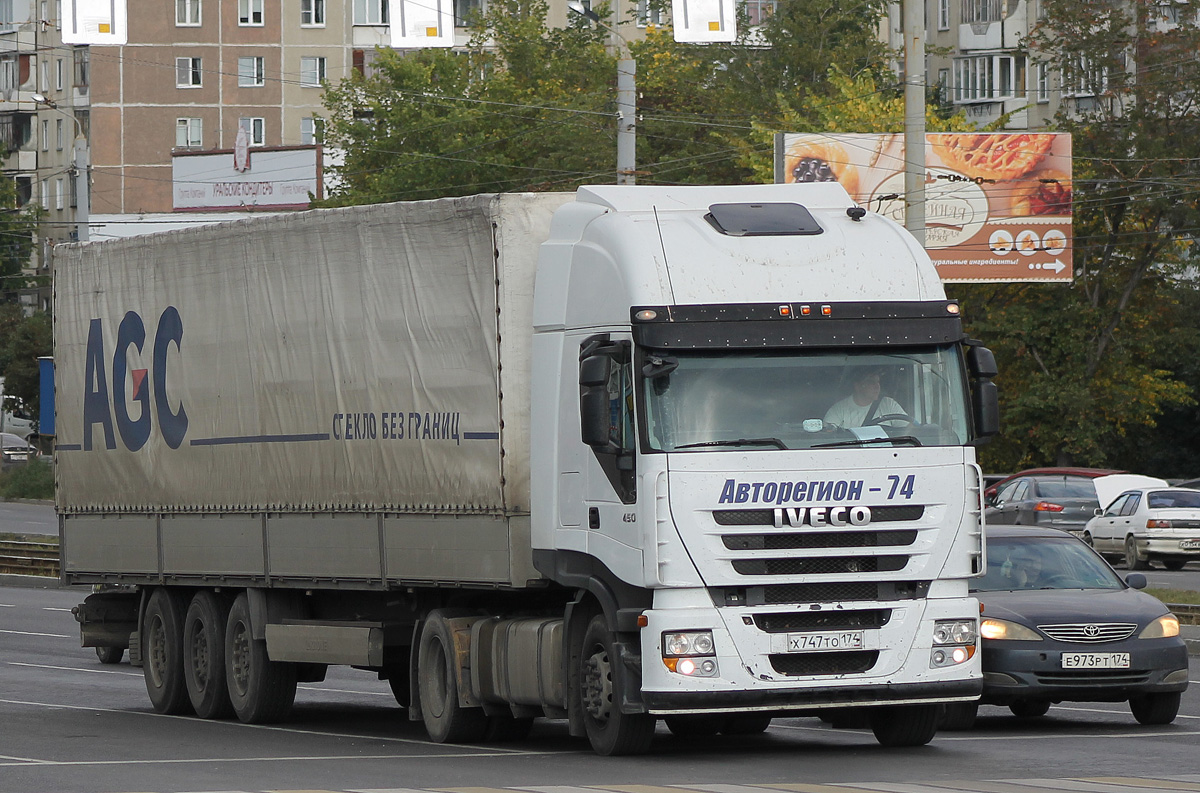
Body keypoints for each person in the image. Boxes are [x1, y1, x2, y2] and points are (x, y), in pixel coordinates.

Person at [823, 367, 907, 429]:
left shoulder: (888, 404)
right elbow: (828, 435)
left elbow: (909, 428)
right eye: (871, 382)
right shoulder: (838, 410)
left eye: (878, 382)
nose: (877, 386)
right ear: (858, 386)